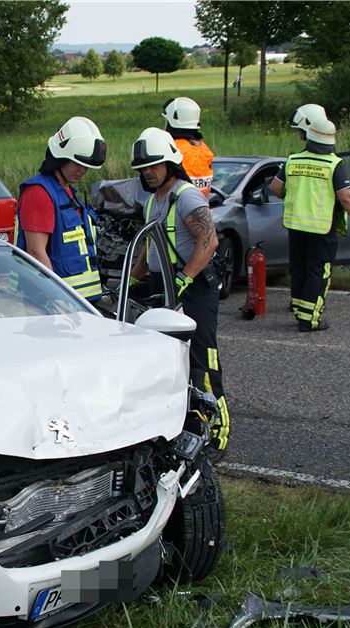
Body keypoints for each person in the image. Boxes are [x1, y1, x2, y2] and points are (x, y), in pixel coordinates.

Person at [128, 127, 229, 452]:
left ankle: (218, 432)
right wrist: (134, 277)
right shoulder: (152, 201)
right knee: (170, 362)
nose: (148, 173)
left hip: (193, 287)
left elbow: (208, 240)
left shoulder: (185, 196)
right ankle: (183, 426)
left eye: (154, 166)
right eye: (144, 168)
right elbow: (151, 244)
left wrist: (185, 276)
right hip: (165, 288)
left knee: (202, 358)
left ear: (170, 163)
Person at [268, 117, 350, 332]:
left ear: (309, 136)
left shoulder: (293, 160)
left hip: (295, 225)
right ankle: (310, 319)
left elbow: (275, 187)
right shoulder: (333, 164)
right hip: (321, 228)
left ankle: (299, 310)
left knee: (299, 269)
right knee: (318, 271)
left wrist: (294, 196)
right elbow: (346, 198)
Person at [15, 116, 107, 302]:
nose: (83, 170)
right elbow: (36, 252)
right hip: (53, 302)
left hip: (80, 303)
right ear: (60, 157)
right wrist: (58, 299)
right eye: (78, 164)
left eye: (86, 166)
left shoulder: (66, 191)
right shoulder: (39, 193)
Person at [162, 96, 214, 197]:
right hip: (202, 205)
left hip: (177, 206)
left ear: (172, 122)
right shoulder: (204, 149)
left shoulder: (172, 148)